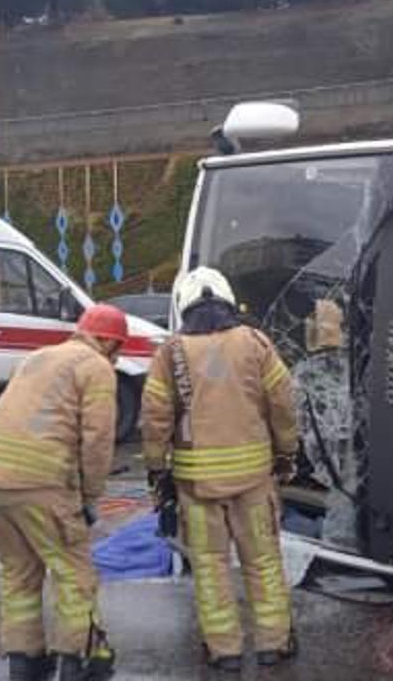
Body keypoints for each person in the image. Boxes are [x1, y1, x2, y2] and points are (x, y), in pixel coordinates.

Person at [141, 267, 301, 673]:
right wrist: (286, 454)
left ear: (184, 307)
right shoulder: (255, 343)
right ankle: (274, 643)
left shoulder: (170, 352)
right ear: (228, 301)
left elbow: (155, 419)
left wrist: (158, 471)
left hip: (196, 486)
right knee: (263, 561)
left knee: (210, 565)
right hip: (254, 481)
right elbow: (283, 403)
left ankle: (223, 648)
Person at [0, 304, 126, 681]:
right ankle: (80, 661)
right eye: (117, 347)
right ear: (106, 340)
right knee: (73, 572)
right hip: (39, 481)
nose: (116, 355)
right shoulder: (95, 367)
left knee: (19, 572)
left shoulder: (38, 357)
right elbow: (98, 438)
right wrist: (89, 495)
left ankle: (25, 662)